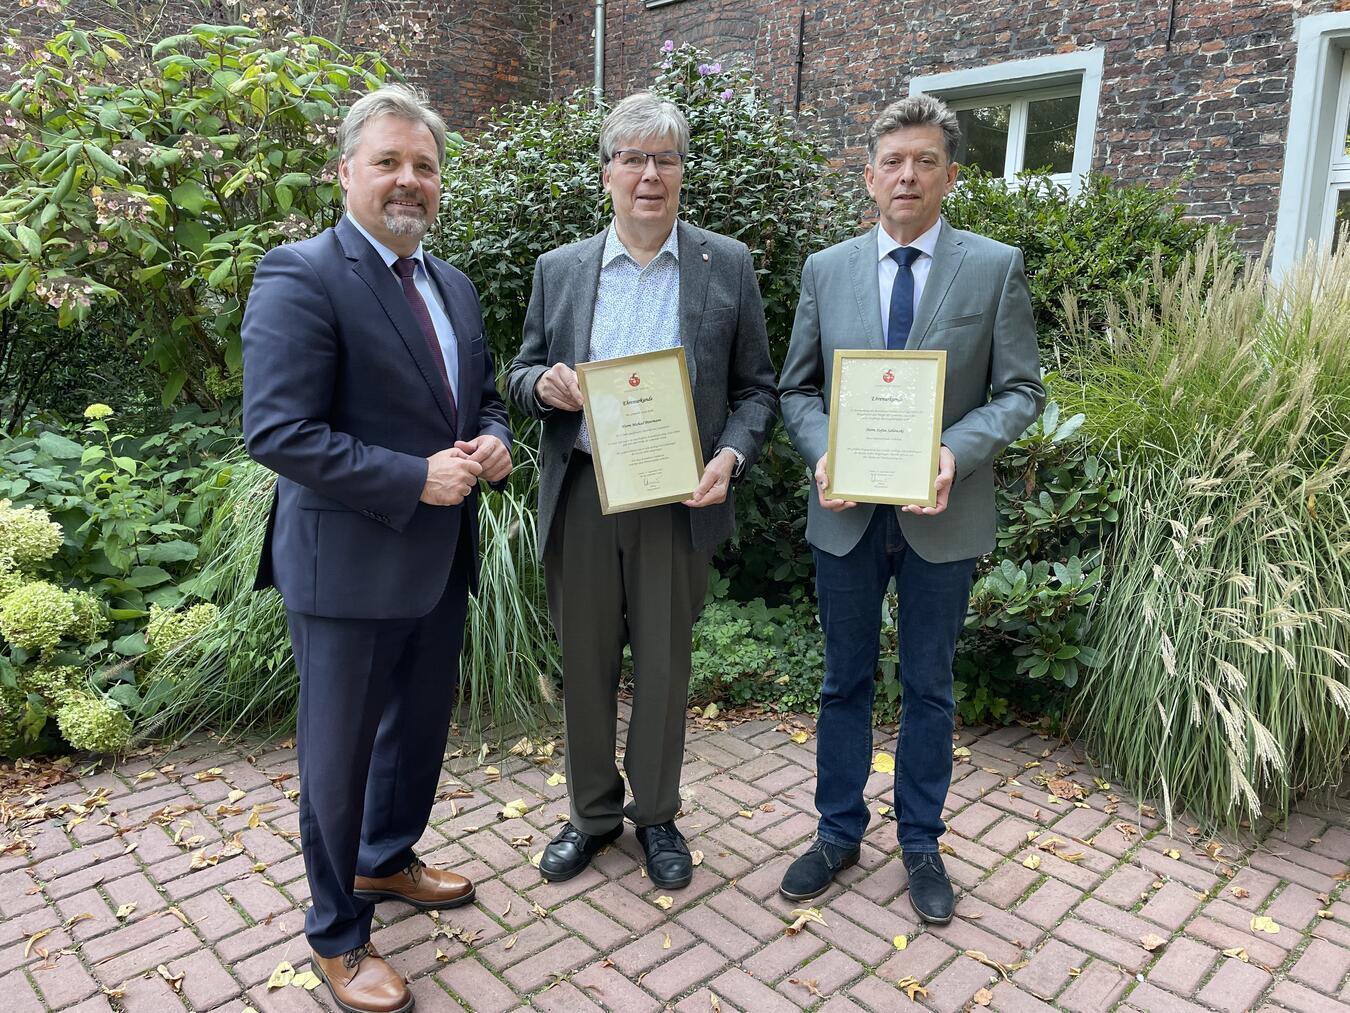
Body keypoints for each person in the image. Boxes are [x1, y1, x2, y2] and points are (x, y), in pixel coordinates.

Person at [242, 84, 512, 1013]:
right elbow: (277, 430)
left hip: (439, 560)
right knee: (338, 755)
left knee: (416, 735)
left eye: (425, 166)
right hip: (347, 567)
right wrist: (411, 477)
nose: (410, 180)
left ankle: (385, 862)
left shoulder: (453, 283)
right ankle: (337, 935)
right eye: (390, 161)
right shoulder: (301, 273)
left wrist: (495, 437)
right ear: (346, 171)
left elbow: (476, 398)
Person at [777, 94, 1044, 923]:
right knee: (841, 680)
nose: (907, 175)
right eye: (893, 161)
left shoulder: (993, 267)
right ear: (869, 174)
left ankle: (921, 842)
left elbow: (1020, 390)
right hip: (847, 511)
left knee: (929, 686)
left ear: (951, 175)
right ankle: (836, 832)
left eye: (925, 161)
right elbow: (797, 387)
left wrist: (952, 454)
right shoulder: (826, 269)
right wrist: (823, 450)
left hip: (943, 513)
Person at [507, 91, 776, 890]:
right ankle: (590, 814)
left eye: (664, 158)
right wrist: (542, 388)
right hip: (586, 490)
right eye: (633, 158)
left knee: (663, 665)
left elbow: (757, 388)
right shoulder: (560, 269)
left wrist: (729, 457)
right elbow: (517, 373)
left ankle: (655, 814)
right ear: (607, 175)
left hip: (677, 495)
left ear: (683, 173)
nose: (649, 174)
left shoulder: (724, 264)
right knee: (584, 661)